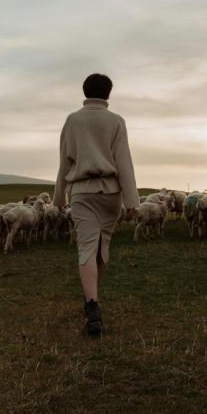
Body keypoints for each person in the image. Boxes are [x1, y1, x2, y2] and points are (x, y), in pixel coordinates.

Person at [53, 73, 139, 336]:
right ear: (108, 94)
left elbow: (64, 160)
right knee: (102, 246)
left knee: (86, 246)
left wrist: (58, 196)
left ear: (85, 91)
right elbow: (124, 161)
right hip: (111, 191)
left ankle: (92, 303)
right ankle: (93, 301)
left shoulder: (72, 120)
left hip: (81, 191)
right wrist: (132, 200)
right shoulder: (116, 122)